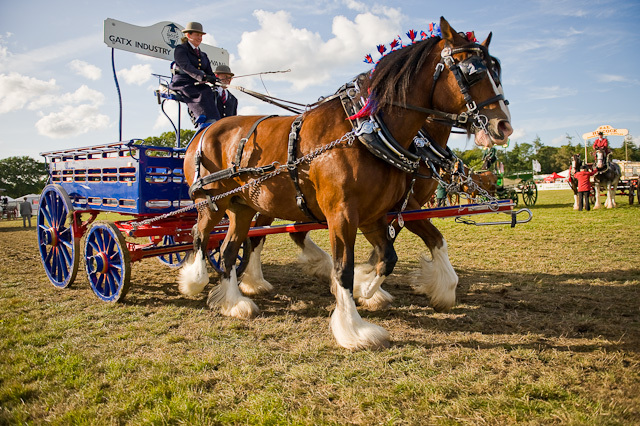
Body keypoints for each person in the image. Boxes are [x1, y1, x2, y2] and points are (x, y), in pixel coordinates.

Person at [169, 22, 221, 125]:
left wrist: (215, 79)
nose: (200, 38)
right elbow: (186, 66)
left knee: (208, 91)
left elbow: (209, 71)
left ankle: (215, 121)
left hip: (198, 83)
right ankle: (200, 116)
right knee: (199, 93)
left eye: (201, 36)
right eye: (197, 35)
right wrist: (202, 77)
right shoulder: (181, 49)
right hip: (183, 82)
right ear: (188, 35)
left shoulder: (203, 55)